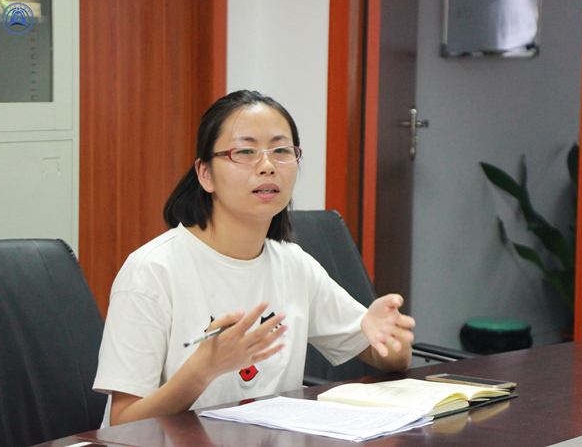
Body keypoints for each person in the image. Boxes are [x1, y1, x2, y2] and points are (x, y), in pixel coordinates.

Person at [93, 90, 416, 427]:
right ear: (205, 174)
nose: (267, 166)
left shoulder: (294, 265)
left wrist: (391, 339)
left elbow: (391, 359)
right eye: (245, 152)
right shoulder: (152, 270)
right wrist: (202, 370)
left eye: (281, 151)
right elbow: (122, 423)